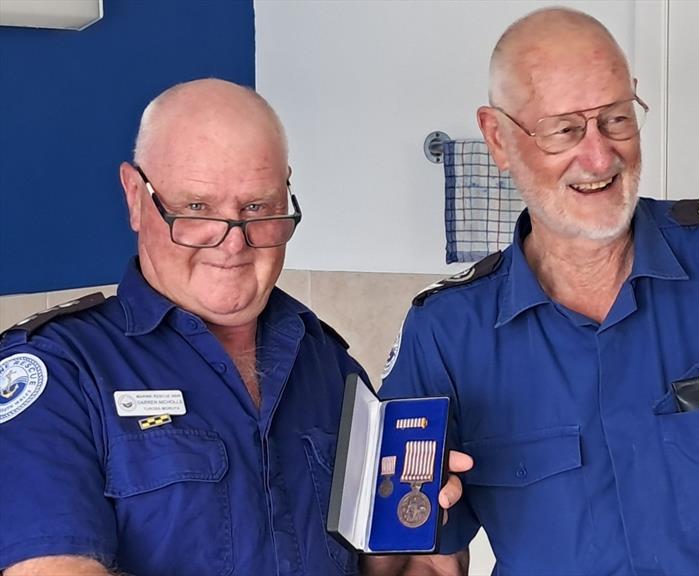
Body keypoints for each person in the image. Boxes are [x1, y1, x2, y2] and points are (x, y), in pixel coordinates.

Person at [377, 7, 699, 575]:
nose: (600, 157)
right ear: (498, 139)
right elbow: (421, 560)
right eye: (565, 129)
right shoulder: (445, 334)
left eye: (617, 119)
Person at [0, 79, 469, 576]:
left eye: (257, 208)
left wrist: (424, 538)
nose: (233, 242)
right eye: (197, 208)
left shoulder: (327, 363)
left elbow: (387, 568)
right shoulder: (59, 372)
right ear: (136, 197)